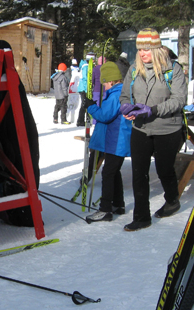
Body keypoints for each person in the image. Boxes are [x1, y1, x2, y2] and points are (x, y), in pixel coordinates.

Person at [119, 28, 187, 231]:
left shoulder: (172, 69)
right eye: (140, 49)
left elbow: (179, 99)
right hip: (140, 128)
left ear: (156, 48)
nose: (142, 53)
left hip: (167, 128)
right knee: (139, 173)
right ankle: (141, 217)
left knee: (164, 169)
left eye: (147, 49)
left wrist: (154, 110)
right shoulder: (133, 70)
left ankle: (172, 200)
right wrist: (125, 107)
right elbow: (124, 95)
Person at [83, 63, 132, 222]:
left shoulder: (116, 94)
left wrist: (91, 107)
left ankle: (105, 209)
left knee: (108, 172)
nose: (103, 85)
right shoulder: (120, 92)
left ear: (110, 80)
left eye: (104, 82)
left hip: (117, 140)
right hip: (117, 139)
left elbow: (105, 116)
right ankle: (118, 204)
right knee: (114, 171)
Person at [76, 58, 89, 126]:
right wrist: (86, 89)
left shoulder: (84, 66)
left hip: (82, 88)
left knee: (84, 104)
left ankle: (81, 120)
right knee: (84, 104)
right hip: (83, 88)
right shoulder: (86, 67)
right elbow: (85, 78)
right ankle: (80, 120)